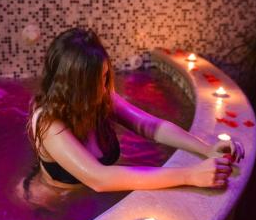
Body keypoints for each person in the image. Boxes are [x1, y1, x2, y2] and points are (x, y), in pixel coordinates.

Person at [19, 28, 244, 210]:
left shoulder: (97, 96)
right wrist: (191, 175)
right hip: (51, 202)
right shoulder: (49, 123)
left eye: (105, 76)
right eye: (93, 83)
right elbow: (100, 179)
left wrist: (207, 149)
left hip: (86, 195)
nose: (103, 88)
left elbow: (149, 125)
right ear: (71, 87)